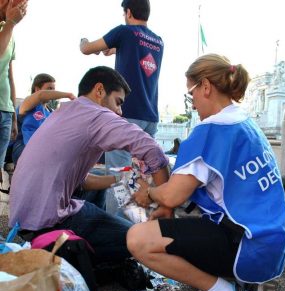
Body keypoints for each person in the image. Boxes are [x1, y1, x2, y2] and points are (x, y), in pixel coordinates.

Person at [127, 54, 285, 291]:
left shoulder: (211, 130)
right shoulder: (246, 123)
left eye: (190, 94)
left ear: (205, 86)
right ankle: (247, 282)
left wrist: (148, 193)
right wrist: (167, 205)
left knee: (138, 239)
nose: (192, 104)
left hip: (248, 245)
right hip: (274, 244)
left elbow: (172, 194)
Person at [9, 66, 169, 264]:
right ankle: (81, 253)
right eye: (118, 102)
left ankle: (88, 240)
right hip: (48, 223)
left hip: (23, 222)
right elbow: (153, 150)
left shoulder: (65, 111)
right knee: (143, 241)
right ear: (99, 90)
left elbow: (81, 181)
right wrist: (166, 205)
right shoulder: (96, 115)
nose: (120, 112)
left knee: (98, 188)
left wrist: (122, 178)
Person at [80, 0, 164, 172]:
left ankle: (117, 201)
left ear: (129, 13)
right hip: (150, 117)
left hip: (126, 113)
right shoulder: (158, 41)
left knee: (119, 175)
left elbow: (87, 49)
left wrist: (84, 41)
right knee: (143, 174)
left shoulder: (124, 32)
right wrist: (114, 48)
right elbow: (136, 51)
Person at [11, 73, 75, 164]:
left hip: (45, 150)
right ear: (37, 89)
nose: (53, 92)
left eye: (54, 89)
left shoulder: (52, 112)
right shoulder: (27, 104)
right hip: (24, 148)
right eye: (49, 89)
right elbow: (40, 95)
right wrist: (69, 95)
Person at [0, 0, 27, 186]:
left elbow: (9, 74)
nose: (22, 10)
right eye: (21, 3)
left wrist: (14, 115)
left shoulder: (11, 34)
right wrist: (10, 23)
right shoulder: (7, 28)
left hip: (6, 111)